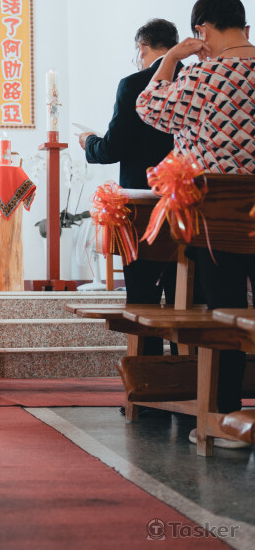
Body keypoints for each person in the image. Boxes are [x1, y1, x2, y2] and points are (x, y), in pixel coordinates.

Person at [136, 0, 255, 446]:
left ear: (201, 31)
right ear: (245, 28)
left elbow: (148, 107)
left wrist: (171, 59)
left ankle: (225, 416)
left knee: (224, 314)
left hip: (216, 224)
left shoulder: (202, 76)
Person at [79, 18, 180, 353]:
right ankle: (191, 374)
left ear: (142, 48)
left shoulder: (134, 83)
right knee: (187, 296)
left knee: (143, 297)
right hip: (188, 207)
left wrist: (89, 141)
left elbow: (113, 148)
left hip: (143, 208)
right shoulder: (195, 80)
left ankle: (148, 378)